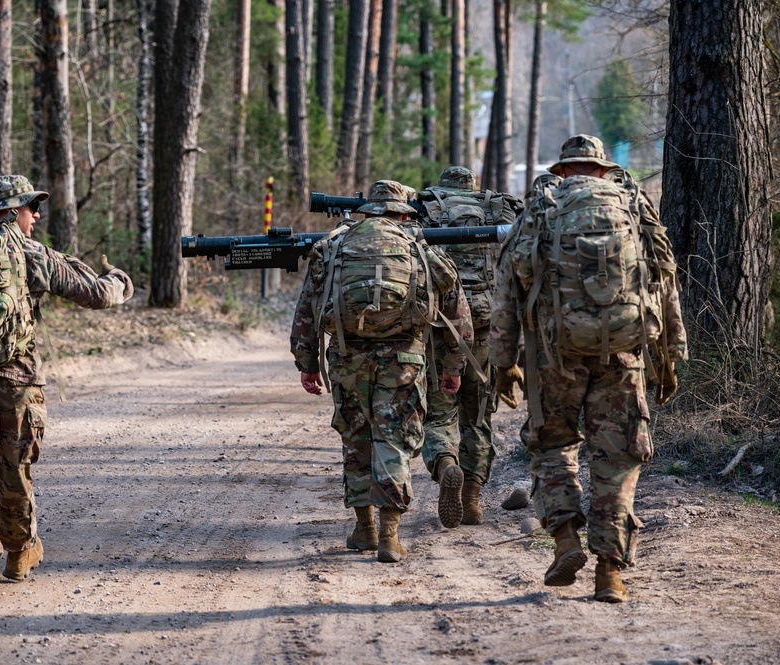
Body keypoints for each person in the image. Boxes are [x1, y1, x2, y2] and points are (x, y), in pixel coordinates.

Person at [489, 135, 687, 602]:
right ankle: (610, 572)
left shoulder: (542, 209)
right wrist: (671, 353)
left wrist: (503, 363)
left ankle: (563, 540)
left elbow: (507, 291)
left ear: (563, 171)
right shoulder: (633, 206)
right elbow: (665, 276)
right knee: (617, 459)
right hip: (625, 353)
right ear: (602, 169)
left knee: (552, 445)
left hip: (553, 355)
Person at [0, 175, 134, 597]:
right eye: (31, 207)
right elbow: (94, 293)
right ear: (11, 209)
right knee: (15, 466)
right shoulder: (27, 251)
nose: (35, 216)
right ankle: (19, 554)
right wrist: (121, 283)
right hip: (17, 380)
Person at [290, 180, 473, 563]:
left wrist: (308, 364)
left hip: (347, 356)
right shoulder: (419, 249)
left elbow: (307, 310)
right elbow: (457, 310)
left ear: (370, 209)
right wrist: (453, 367)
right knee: (395, 439)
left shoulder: (335, 245)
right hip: (404, 359)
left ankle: (364, 529)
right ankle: (390, 535)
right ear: (404, 211)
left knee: (356, 437)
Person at [414, 166, 524, 527]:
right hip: (488, 323)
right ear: (474, 188)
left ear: (442, 188)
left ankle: (446, 464)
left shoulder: (425, 209)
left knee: (440, 410)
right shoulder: (502, 209)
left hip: (441, 324)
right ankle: (472, 499)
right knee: (478, 414)